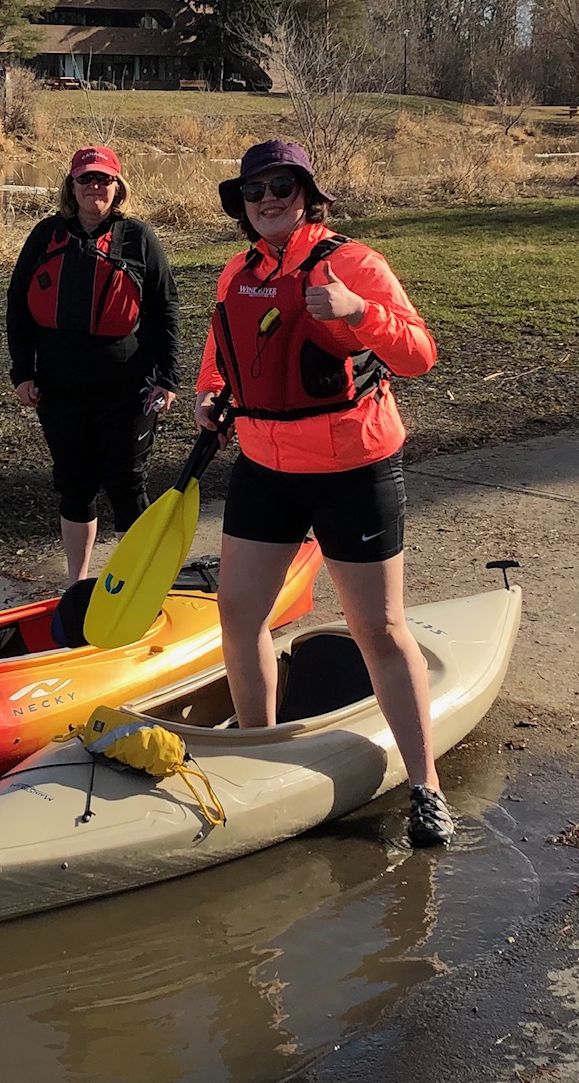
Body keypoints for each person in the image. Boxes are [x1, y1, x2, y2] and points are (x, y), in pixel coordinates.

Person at [194, 139, 454, 847]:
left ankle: (426, 786)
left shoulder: (355, 263)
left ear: (307, 195)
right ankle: (258, 754)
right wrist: (211, 396)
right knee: (239, 614)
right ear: (243, 205)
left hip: (353, 467)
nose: (267, 199)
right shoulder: (236, 273)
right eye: (254, 191)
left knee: (380, 629)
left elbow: (419, 354)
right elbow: (222, 356)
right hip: (264, 469)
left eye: (282, 186)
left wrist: (357, 310)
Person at [7, 145, 181, 584]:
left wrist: (169, 378)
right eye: (85, 179)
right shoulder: (46, 235)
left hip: (128, 388)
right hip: (59, 388)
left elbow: (166, 309)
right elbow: (18, 306)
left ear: (117, 187)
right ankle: (78, 583)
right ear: (72, 186)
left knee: (127, 484)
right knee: (74, 484)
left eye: (104, 179)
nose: (94, 187)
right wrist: (22, 372)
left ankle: (135, 585)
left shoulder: (139, 237)